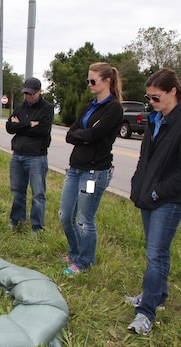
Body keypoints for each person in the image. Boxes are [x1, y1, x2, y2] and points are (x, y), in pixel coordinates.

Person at [126, 68, 181, 335]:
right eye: (148, 98)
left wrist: (158, 192)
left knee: (155, 255)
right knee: (156, 252)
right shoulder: (156, 119)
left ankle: (145, 313)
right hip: (149, 197)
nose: (151, 103)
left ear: (173, 92)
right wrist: (138, 185)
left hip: (169, 201)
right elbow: (145, 158)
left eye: (156, 97)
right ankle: (157, 297)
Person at [59, 62, 123, 275]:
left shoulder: (113, 108)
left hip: (94, 173)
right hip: (75, 168)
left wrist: (84, 136)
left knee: (85, 220)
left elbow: (95, 135)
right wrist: (83, 137)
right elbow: (70, 135)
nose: (89, 84)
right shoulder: (89, 106)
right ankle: (75, 252)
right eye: (88, 80)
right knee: (65, 215)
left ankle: (84, 262)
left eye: (93, 80)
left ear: (107, 81)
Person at [5, 77, 54, 234]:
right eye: (26, 93)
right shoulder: (20, 107)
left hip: (36, 157)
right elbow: (9, 127)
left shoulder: (46, 108)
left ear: (39, 92)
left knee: (38, 194)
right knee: (17, 191)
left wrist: (20, 125)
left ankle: (37, 227)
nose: (28, 96)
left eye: (31, 94)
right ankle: (17, 220)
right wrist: (28, 124)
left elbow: (42, 130)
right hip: (18, 155)